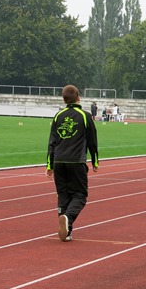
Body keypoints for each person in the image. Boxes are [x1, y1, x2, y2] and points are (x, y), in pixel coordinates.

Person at [46, 85, 99, 242]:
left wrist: (49, 165)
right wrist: (95, 161)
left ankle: (67, 230)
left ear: (64, 100)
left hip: (59, 161)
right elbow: (92, 141)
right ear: (78, 98)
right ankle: (68, 217)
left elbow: (52, 142)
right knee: (80, 195)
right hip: (76, 161)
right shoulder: (85, 116)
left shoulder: (58, 116)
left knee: (63, 194)